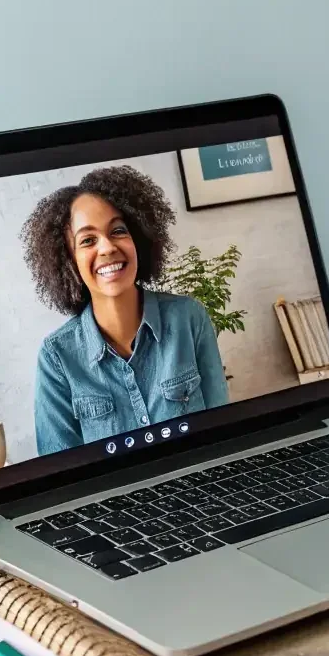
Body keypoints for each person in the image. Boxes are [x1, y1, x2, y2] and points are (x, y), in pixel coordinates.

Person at [21, 164, 229, 455]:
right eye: (88, 240)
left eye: (118, 230)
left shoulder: (189, 318)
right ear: (69, 260)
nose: (106, 248)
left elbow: (224, 435)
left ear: (139, 240)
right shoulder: (57, 358)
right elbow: (62, 474)